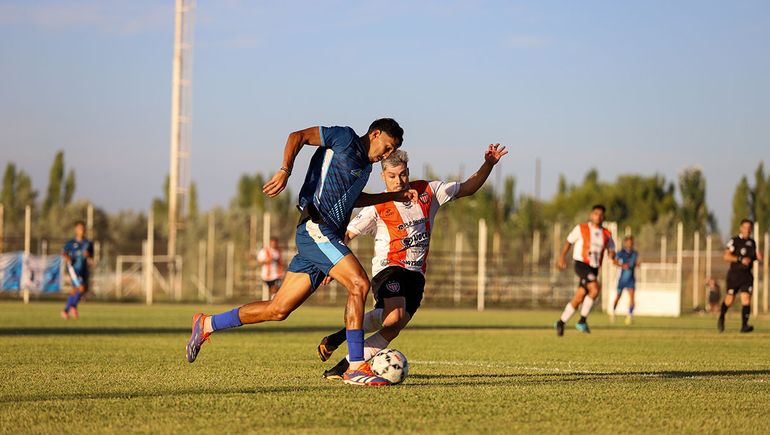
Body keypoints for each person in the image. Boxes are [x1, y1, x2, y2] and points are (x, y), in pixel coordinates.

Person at [186, 118, 418, 386]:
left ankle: (206, 324)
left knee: (278, 309)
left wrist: (391, 196)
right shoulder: (345, 138)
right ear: (375, 134)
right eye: (387, 147)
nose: (387, 155)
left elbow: (354, 199)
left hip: (323, 239)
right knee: (359, 283)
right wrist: (285, 170)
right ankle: (355, 367)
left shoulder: (365, 167)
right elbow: (297, 136)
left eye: (392, 151)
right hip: (315, 228)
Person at [315, 144, 508, 379]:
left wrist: (488, 164)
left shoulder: (429, 191)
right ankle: (348, 347)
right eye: (392, 176)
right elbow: (347, 235)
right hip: (389, 268)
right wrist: (330, 263)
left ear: (408, 170)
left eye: (403, 174)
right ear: (383, 176)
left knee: (394, 326)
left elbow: (468, 188)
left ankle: (342, 363)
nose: (399, 180)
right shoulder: (377, 205)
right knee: (394, 316)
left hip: (416, 273)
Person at [555, 205, 616, 336]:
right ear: (591, 215)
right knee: (595, 289)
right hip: (581, 264)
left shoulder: (606, 234)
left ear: (604, 217)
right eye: (595, 213)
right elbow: (568, 242)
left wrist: (613, 257)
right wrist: (561, 258)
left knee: (579, 297)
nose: (598, 216)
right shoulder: (581, 228)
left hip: (594, 268)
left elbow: (611, 250)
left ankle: (561, 322)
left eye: (600, 214)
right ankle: (582, 321)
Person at [718, 219, 763, 333]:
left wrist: (758, 257)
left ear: (751, 230)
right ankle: (722, 316)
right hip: (734, 275)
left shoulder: (752, 243)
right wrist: (739, 259)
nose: (747, 230)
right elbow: (726, 256)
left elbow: (753, 258)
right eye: (745, 227)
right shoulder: (734, 241)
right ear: (741, 228)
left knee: (746, 299)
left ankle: (744, 326)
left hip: (747, 275)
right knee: (729, 300)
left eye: (749, 228)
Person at [61, 221, 93, 320]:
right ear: (76, 230)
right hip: (74, 269)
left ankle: (66, 310)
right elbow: (64, 252)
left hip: (84, 269)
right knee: (81, 288)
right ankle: (72, 306)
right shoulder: (71, 243)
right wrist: (67, 258)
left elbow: (91, 256)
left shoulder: (88, 243)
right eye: (80, 228)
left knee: (79, 289)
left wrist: (89, 257)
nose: (82, 230)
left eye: (83, 229)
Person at [612, 235, 640, 325]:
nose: (630, 244)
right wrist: (622, 265)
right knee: (618, 297)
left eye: (632, 242)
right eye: (629, 242)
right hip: (622, 279)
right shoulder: (621, 252)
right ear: (625, 243)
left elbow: (635, 263)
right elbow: (614, 261)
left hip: (631, 279)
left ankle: (629, 316)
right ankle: (613, 312)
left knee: (632, 297)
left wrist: (637, 264)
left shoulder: (635, 253)